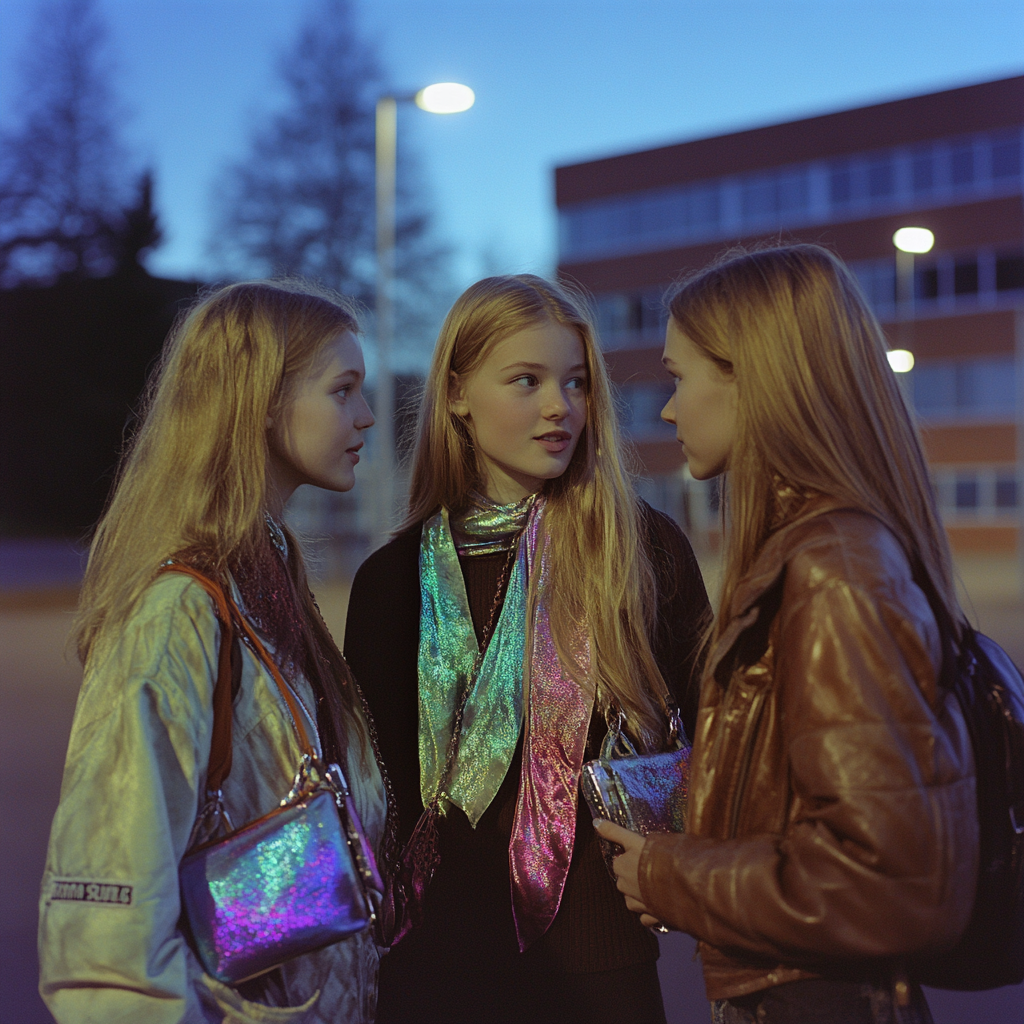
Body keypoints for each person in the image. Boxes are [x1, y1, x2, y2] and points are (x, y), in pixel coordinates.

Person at [597, 244, 979, 1024]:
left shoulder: (833, 571)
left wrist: (670, 875)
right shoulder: (817, 553)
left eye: (679, 377)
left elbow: (884, 881)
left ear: (749, 375)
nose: (668, 410)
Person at [343, 274, 711, 1024]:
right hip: (433, 961)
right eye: (528, 380)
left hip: (602, 959)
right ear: (456, 394)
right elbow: (375, 795)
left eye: (576, 383)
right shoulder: (390, 582)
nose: (560, 407)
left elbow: (717, 735)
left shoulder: (643, 550)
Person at [38, 280, 390, 1024]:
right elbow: (107, 945)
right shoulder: (178, 609)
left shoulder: (265, 581)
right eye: (344, 390)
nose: (366, 416)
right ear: (262, 401)